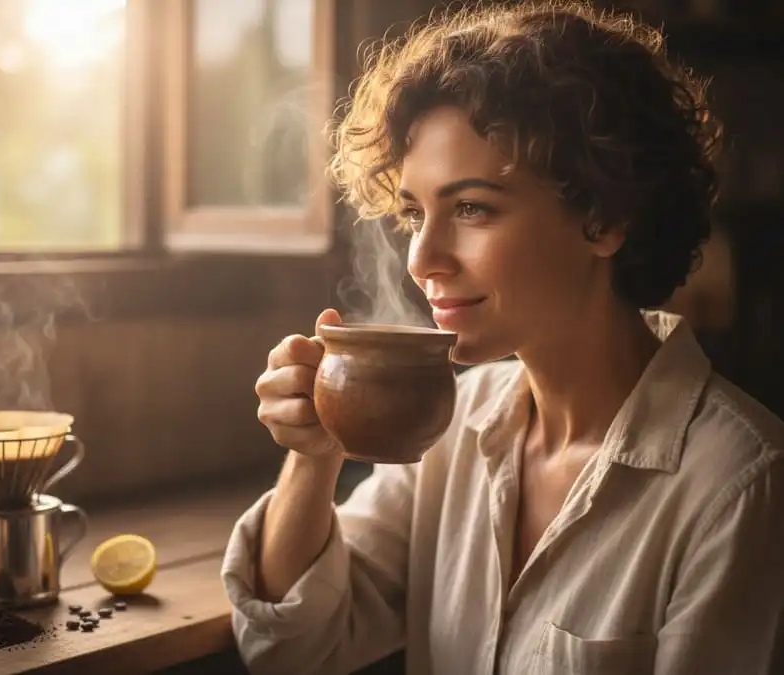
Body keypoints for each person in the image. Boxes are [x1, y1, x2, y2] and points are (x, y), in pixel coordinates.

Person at [221, 2, 784, 674]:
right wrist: (314, 456)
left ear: (605, 217)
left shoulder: (740, 484)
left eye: (471, 208)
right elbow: (289, 649)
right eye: (414, 213)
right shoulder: (453, 427)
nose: (422, 259)